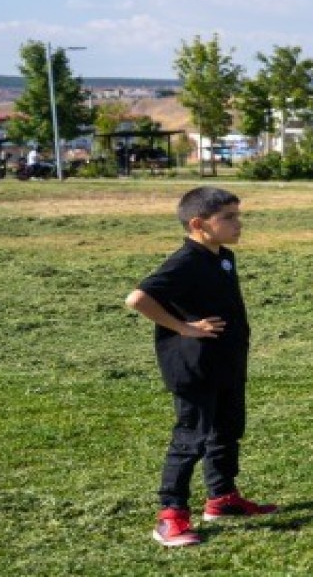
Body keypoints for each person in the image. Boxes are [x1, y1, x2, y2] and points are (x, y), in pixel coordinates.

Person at [125, 187, 276, 548]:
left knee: (226, 430)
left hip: (225, 363)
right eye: (228, 217)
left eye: (239, 215)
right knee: (191, 438)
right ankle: (171, 516)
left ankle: (222, 499)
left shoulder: (221, 256)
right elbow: (138, 299)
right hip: (194, 367)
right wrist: (184, 328)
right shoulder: (186, 260)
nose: (239, 224)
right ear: (198, 224)